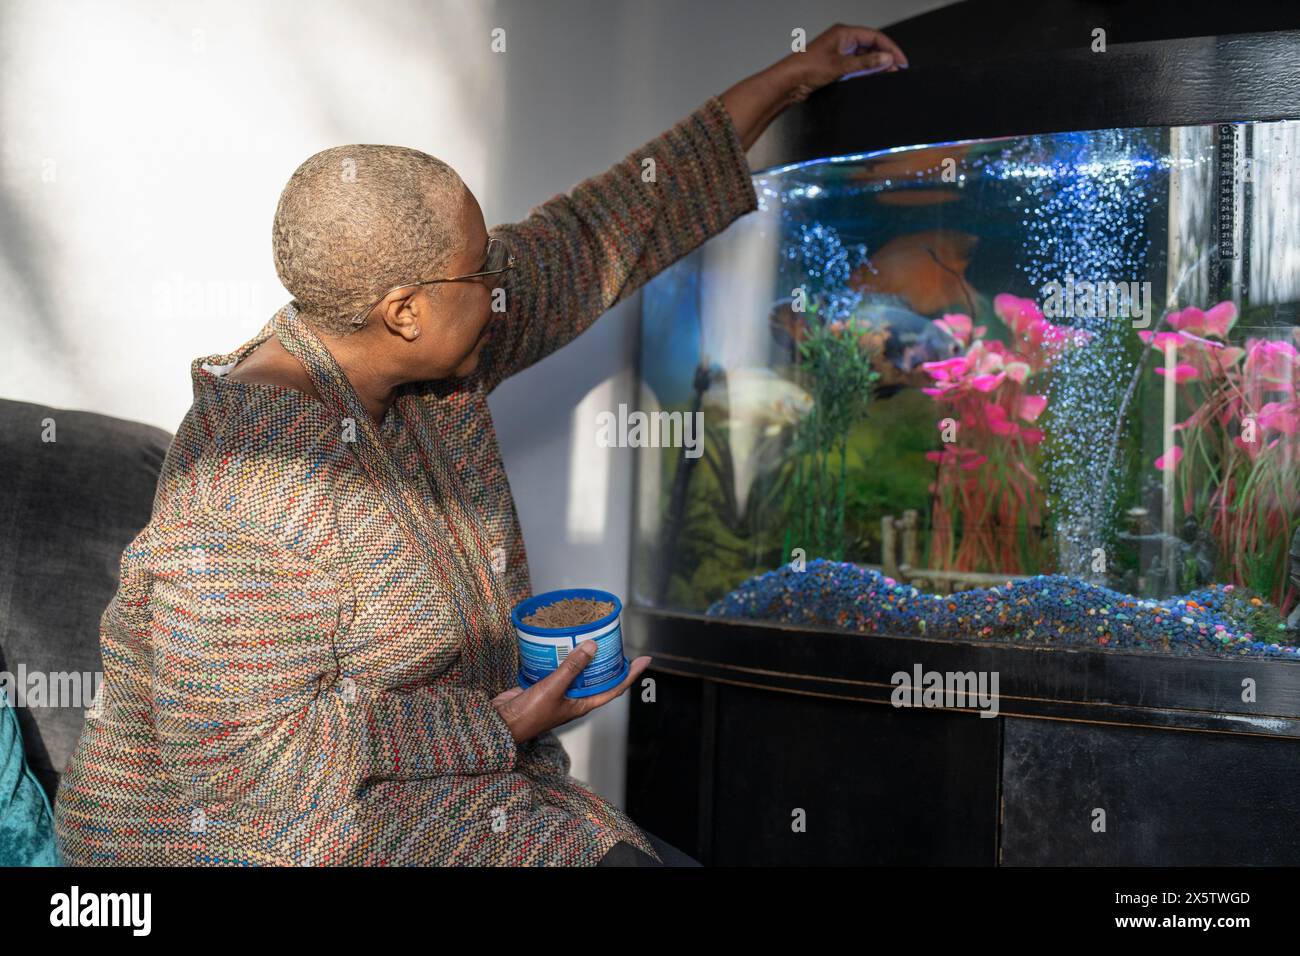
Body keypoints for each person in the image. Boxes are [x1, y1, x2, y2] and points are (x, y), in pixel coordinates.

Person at [53, 24, 907, 867]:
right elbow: (248, 772)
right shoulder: (248, 487)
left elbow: (589, 237)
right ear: (404, 311)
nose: (501, 281)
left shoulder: (411, 353)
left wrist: (791, 77)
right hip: (252, 836)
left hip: (431, 784)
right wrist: (502, 721)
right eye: (480, 270)